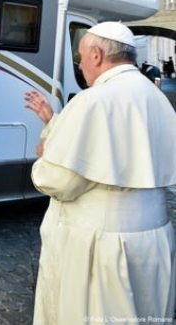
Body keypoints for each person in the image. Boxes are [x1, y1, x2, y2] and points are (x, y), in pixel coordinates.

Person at [24, 21, 176, 324]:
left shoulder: (92, 99)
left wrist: (44, 156)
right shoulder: (157, 97)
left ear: (96, 55)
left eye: (80, 57)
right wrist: (54, 123)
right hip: (154, 240)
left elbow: (59, 180)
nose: (80, 65)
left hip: (102, 246)